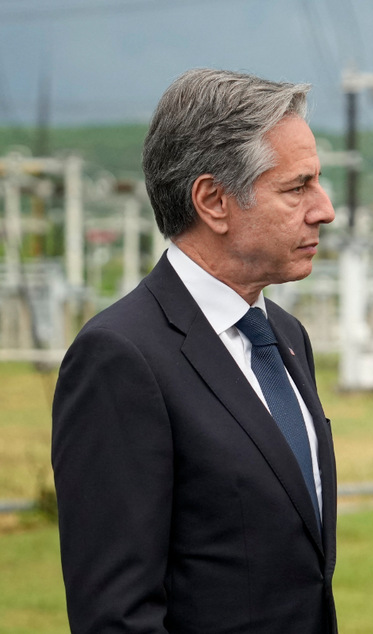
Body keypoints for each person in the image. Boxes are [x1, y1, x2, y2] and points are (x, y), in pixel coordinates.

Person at [52, 68, 338, 633]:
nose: (324, 208)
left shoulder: (284, 336)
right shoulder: (121, 358)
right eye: (297, 187)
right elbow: (116, 615)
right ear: (213, 201)